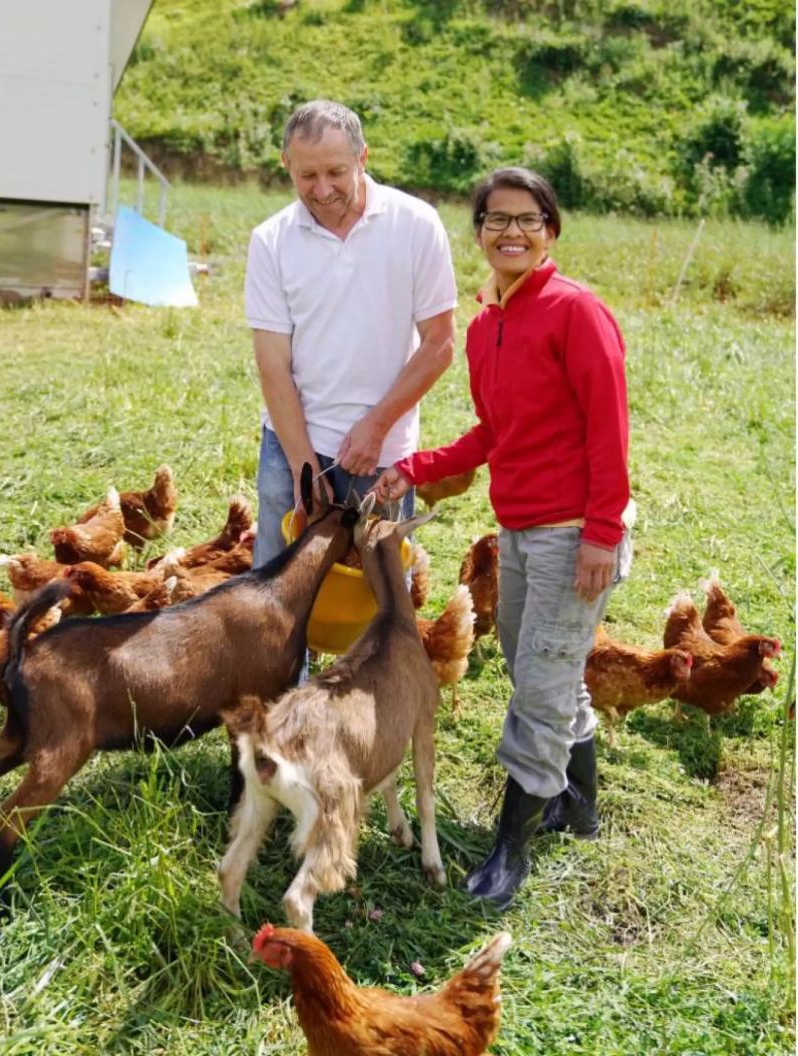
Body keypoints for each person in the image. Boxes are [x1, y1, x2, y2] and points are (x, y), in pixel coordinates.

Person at [374, 166, 631, 910]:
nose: (510, 231)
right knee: (540, 671)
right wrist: (415, 466)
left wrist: (601, 535)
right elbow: (495, 431)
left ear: (550, 229)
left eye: (527, 218)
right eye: (495, 219)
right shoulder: (488, 323)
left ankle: (509, 849)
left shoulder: (577, 313)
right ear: (480, 232)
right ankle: (578, 808)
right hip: (520, 529)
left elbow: (609, 431)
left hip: (575, 531)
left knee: (542, 687)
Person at [245, 100, 457, 565]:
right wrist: (304, 467)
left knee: (374, 599)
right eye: (306, 176)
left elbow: (439, 344)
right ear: (286, 166)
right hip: (290, 442)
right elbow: (272, 363)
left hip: (381, 451)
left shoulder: (415, 224)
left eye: (336, 172)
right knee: (276, 598)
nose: (322, 190)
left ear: (363, 158)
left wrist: (376, 426)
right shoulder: (271, 240)